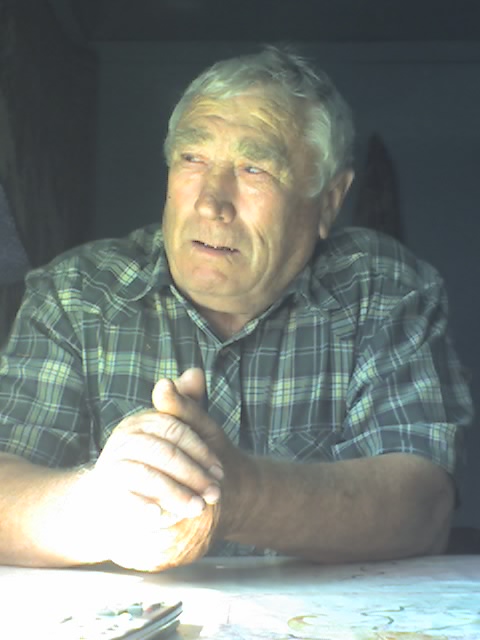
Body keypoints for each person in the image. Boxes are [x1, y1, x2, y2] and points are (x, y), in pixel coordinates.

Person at [0, 46, 473, 572]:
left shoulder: (383, 289)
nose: (211, 202)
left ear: (330, 201)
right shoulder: (76, 293)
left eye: (254, 168)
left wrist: (240, 494)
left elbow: (422, 507)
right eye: (192, 159)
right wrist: (98, 509)